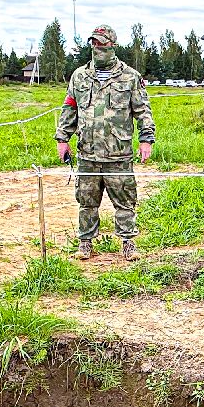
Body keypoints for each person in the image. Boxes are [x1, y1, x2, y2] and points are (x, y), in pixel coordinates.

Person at [55, 25, 155, 262]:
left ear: (112, 46)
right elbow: (69, 108)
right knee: (86, 202)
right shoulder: (79, 76)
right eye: (94, 44)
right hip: (87, 153)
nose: (97, 48)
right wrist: (62, 138)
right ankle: (85, 243)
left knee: (125, 201)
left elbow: (143, 110)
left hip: (118, 154)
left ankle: (128, 243)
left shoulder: (130, 77)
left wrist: (146, 139)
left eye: (102, 44)